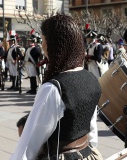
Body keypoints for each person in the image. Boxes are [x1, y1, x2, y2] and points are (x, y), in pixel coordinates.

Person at [10, 13, 103, 160]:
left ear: (53, 44)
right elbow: (91, 132)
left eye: (44, 40)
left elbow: (28, 146)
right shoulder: (91, 79)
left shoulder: (53, 88)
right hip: (88, 155)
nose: (42, 45)